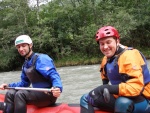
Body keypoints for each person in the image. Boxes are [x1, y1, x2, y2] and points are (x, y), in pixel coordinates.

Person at [80, 26, 150, 113]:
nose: (105, 47)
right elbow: (104, 79)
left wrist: (106, 88)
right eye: (102, 44)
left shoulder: (129, 56)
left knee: (122, 102)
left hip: (143, 98)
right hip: (121, 96)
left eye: (108, 42)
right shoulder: (106, 60)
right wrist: (103, 92)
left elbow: (136, 88)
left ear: (117, 41)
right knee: (86, 98)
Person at [0, 35, 63, 113]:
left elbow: (54, 75)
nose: (21, 49)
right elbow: (24, 83)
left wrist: (57, 88)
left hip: (48, 95)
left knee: (20, 94)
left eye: (23, 46)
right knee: (10, 93)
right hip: (36, 94)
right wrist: (9, 86)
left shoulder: (41, 59)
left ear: (30, 45)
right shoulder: (25, 64)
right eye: (18, 47)